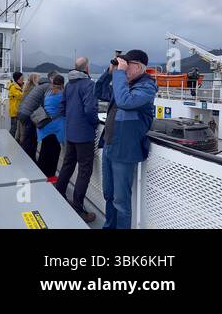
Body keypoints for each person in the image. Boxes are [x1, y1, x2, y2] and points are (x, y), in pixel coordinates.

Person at [95, 49, 157, 229]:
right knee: (109, 194)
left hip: (125, 151)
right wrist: (110, 72)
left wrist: (120, 74)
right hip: (109, 145)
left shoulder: (146, 88)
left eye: (126, 65)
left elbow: (125, 102)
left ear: (138, 67)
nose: (123, 69)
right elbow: (98, 91)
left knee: (121, 201)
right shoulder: (123, 85)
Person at [56, 57, 100, 222]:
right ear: (87, 68)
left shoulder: (68, 85)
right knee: (84, 170)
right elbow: (90, 109)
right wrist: (95, 122)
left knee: (68, 164)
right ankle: (78, 207)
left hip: (71, 132)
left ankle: (59, 191)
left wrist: (73, 119)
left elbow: (62, 107)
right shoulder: (89, 84)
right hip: (84, 134)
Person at [16, 72, 53, 161]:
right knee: (30, 139)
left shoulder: (38, 87)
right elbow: (46, 102)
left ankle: (28, 158)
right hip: (28, 114)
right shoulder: (47, 86)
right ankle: (28, 160)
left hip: (22, 112)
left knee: (29, 137)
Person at [36, 75, 66, 179]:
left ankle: (40, 175)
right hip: (55, 128)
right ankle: (51, 177)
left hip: (45, 126)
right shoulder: (61, 95)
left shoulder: (48, 93)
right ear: (62, 84)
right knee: (54, 152)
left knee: (44, 151)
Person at [8, 72, 25, 136]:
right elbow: (21, 96)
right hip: (15, 111)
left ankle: (14, 140)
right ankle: (10, 139)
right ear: (18, 79)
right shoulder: (14, 88)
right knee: (14, 128)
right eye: (22, 78)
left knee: (17, 128)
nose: (23, 79)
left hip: (18, 111)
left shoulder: (19, 87)